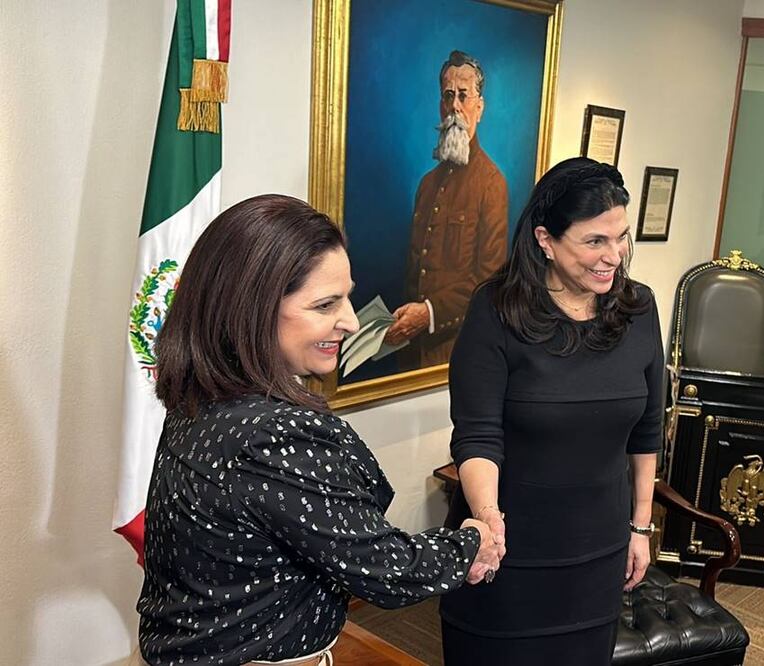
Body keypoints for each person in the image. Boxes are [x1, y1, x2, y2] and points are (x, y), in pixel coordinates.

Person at [133, 194, 502, 666]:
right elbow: (384, 569)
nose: (349, 321)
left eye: (347, 296)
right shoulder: (273, 434)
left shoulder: (200, 395)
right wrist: (470, 543)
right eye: (325, 304)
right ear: (252, 307)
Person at [439, 158, 664, 665]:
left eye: (621, 237)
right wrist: (489, 526)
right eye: (595, 242)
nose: (613, 256)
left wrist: (641, 527)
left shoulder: (640, 309)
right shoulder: (495, 311)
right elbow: (476, 436)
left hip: (597, 553)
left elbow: (648, 430)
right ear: (545, 240)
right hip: (509, 550)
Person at [385, 49, 509, 370]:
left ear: (479, 108)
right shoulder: (427, 185)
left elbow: (488, 281)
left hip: (455, 356)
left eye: (464, 96)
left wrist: (428, 314)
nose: (455, 106)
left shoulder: (491, 183)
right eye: (448, 95)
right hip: (411, 353)